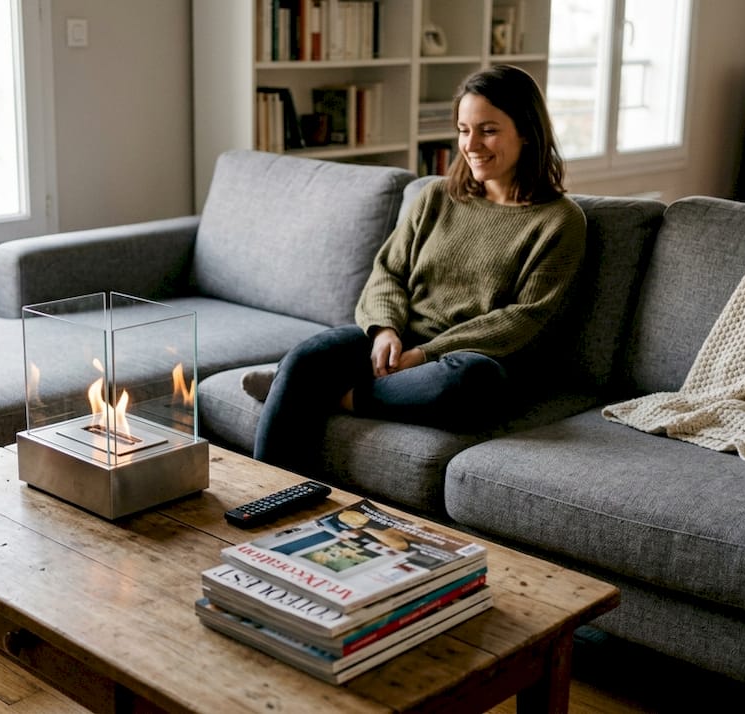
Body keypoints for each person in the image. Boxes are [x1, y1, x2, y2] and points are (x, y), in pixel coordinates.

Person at [250, 65, 587, 475]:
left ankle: (336, 397)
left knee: (469, 382)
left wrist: (426, 354)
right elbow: (387, 271)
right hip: (397, 342)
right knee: (308, 357)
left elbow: (524, 318)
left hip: (470, 360)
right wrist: (385, 330)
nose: (472, 144)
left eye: (488, 130)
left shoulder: (559, 220)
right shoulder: (437, 196)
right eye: (464, 130)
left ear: (528, 131)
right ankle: (265, 492)